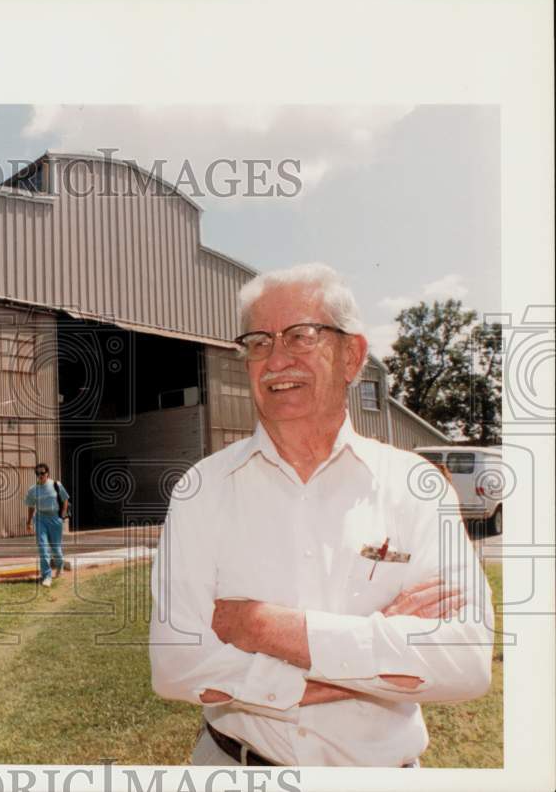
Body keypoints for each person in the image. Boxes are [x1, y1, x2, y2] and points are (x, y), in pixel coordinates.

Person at [149, 263, 493, 768]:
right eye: (259, 342)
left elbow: (465, 662)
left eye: (301, 337)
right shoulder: (202, 489)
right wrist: (371, 650)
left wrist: (267, 628)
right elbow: (176, 667)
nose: (276, 360)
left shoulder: (415, 487)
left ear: (351, 355)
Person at [24, 463, 70, 588]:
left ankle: (59, 565)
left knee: (56, 549)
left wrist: (63, 514)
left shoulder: (56, 485)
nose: (40, 475)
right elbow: (31, 507)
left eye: (42, 473)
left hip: (55, 519)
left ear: (47, 473)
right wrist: (28, 523)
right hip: (40, 519)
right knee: (43, 548)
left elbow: (65, 499)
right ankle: (47, 576)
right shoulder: (33, 490)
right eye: (38, 473)